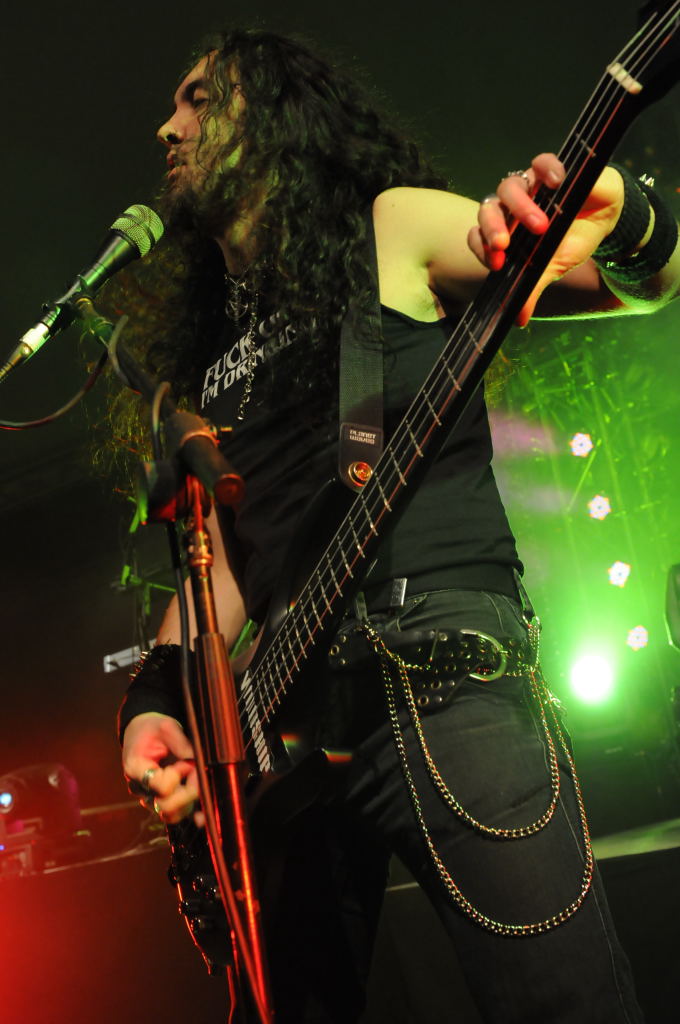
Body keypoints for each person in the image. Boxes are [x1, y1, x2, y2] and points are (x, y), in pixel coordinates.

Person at [115, 28, 679, 1024]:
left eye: (200, 98)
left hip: (437, 672)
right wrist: (154, 702)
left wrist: (625, 210)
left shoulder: (391, 227)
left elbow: (640, 286)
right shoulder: (209, 359)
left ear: (276, 115)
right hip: (290, 746)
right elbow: (234, 570)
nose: (169, 126)